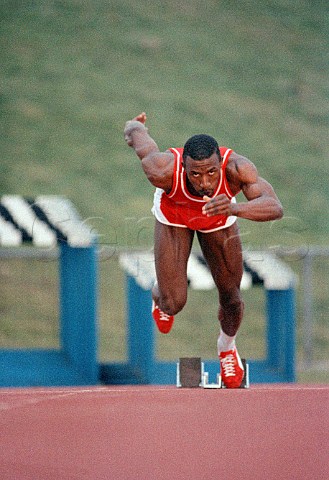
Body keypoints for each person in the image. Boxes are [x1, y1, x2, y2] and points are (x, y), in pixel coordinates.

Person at [124, 112, 283, 388]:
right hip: (175, 217)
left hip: (219, 218)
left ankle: (227, 348)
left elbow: (275, 207)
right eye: (195, 174)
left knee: (232, 298)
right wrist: (135, 126)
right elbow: (140, 140)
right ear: (183, 167)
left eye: (211, 172)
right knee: (173, 304)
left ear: (221, 164)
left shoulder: (238, 169)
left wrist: (234, 207)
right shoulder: (162, 169)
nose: (205, 182)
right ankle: (159, 292)